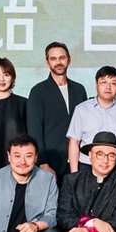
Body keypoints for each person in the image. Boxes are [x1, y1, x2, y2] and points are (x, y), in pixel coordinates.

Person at [27, 42, 87, 180]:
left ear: (69, 59)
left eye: (62, 57)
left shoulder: (79, 90)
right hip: (51, 163)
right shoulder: (38, 91)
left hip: (79, 162)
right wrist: (43, 162)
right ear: (47, 62)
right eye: (53, 59)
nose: (58, 62)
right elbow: (35, 129)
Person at [67, 66, 116, 175]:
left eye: (113, 83)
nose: (108, 87)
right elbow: (74, 143)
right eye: (104, 82)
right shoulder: (82, 109)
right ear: (96, 84)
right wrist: (74, 174)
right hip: (87, 165)